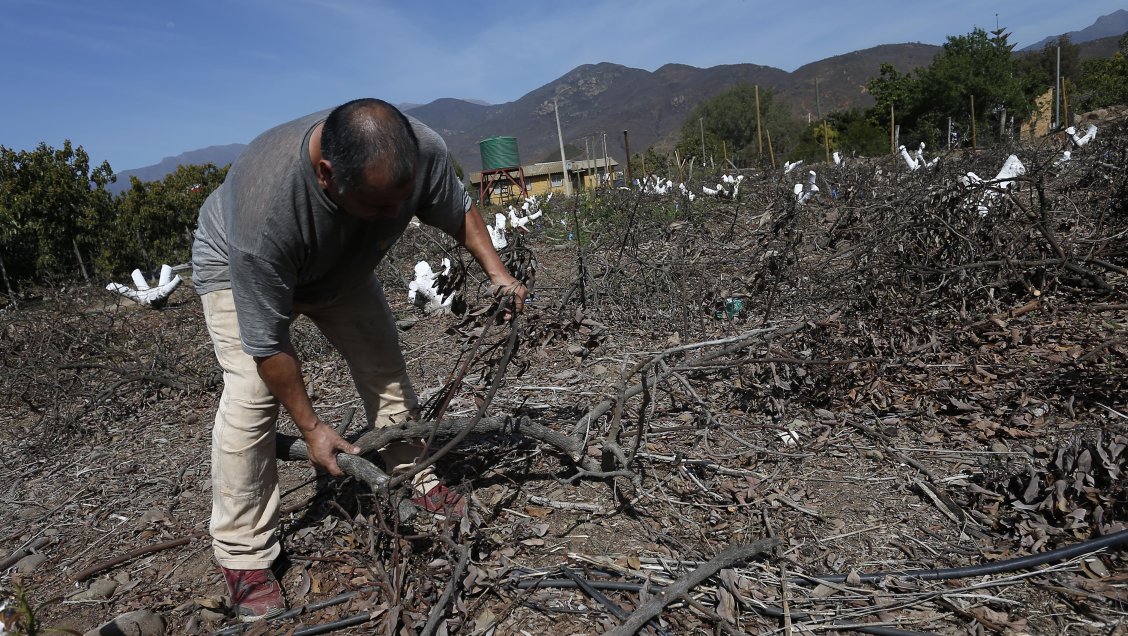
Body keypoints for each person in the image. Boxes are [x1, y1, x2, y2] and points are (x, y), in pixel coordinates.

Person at [190, 98, 526, 622]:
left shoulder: (419, 151)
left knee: (384, 364)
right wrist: (313, 427)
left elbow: (457, 209)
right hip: (236, 265)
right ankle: (243, 552)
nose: (396, 216)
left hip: (339, 267)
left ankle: (416, 477)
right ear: (327, 174)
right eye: (378, 205)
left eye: (401, 201)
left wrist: (498, 274)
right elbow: (267, 345)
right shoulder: (267, 209)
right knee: (252, 397)